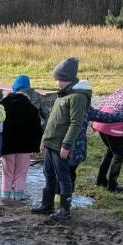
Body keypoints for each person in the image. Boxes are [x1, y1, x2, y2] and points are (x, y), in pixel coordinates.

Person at [31, 56, 89, 222]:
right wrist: (44, 140)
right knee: (48, 173)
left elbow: (76, 123)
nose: (55, 81)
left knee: (63, 177)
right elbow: (51, 120)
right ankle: (47, 205)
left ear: (66, 79)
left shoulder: (77, 97)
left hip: (61, 145)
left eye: (57, 79)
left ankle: (65, 209)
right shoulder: (62, 95)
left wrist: (67, 145)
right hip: (50, 143)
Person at [68, 79, 123, 194]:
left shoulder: (70, 105)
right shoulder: (84, 108)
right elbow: (105, 117)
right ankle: (65, 200)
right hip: (74, 149)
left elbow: (105, 116)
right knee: (69, 173)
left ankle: (63, 199)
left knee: (66, 173)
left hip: (65, 147)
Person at [0, 75, 42, 200]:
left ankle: (5, 200)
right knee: (21, 174)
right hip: (26, 147)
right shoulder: (32, 109)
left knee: (7, 174)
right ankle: (18, 200)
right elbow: (37, 131)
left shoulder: (3, 105)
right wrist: (36, 148)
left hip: (7, 146)